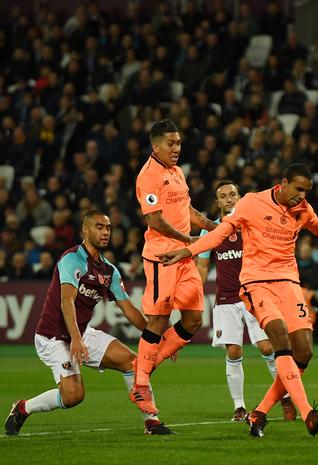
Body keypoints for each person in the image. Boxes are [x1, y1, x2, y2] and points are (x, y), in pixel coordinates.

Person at [157, 163, 318, 437]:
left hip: (289, 283)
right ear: (283, 183)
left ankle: (258, 413)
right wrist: (188, 251)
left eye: (306, 191)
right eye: (298, 189)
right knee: (279, 342)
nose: (301, 196)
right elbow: (220, 233)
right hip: (257, 282)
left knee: (304, 352)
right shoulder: (252, 202)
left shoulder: (303, 209)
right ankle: (308, 414)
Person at [4, 211, 173, 436]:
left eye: (108, 228)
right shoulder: (72, 259)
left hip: (81, 333)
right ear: (85, 230)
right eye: (99, 227)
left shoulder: (108, 270)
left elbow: (129, 310)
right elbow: (67, 301)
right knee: (73, 396)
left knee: (132, 362)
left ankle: (152, 422)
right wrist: (74, 338)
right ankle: (24, 408)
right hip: (53, 336)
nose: (105, 232)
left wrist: (159, 334)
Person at [131, 119, 217, 415]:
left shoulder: (178, 172)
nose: (177, 148)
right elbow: (154, 220)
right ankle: (141, 383)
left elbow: (187, 210)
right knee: (157, 321)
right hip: (162, 258)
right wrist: (189, 240)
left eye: (179, 143)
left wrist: (213, 226)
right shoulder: (148, 176)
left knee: (194, 319)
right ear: (156, 146)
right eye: (171, 143)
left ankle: (144, 365)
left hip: (183, 257)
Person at [196, 180, 296, 422]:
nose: (229, 199)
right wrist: (197, 302)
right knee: (233, 350)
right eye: (224, 196)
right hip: (225, 300)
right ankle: (239, 407)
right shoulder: (211, 231)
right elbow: (202, 266)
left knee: (267, 347)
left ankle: (285, 398)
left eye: (233, 194)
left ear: (240, 197)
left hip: (254, 295)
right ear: (217, 202)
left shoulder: (252, 224)